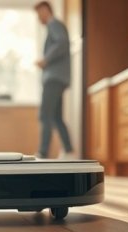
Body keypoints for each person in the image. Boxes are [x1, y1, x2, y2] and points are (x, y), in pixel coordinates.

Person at [34, 1, 74, 159]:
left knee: (45, 114)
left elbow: (61, 42)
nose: (38, 18)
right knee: (56, 117)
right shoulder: (55, 26)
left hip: (54, 78)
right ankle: (69, 152)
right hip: (60, 78)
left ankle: (43, 153)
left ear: (45, 10)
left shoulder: (54, 24)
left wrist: (45, 60)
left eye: (38, 14)